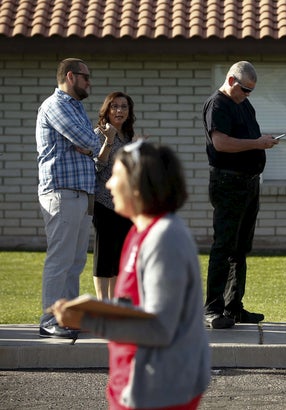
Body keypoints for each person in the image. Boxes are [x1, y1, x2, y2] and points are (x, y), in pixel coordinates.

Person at [49, 141, 211, 409]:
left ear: (138, 185)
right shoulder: (138, 232)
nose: (109, 184)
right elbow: (134, 306)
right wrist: (91, 307)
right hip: (137, 382)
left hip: (161, 390)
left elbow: (160, 328)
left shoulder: (165, 238)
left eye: (116, 176)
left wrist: (89, 320)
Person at [36, 58, 108, 339]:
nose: (90, 82)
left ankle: (67, 317)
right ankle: (49, 319)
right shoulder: (56, 105)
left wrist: (87, 144)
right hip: (61, 192)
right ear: (70, 76)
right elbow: (92, 141)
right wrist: (89, 143)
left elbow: (87, 143)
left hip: (80, 193)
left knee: (76, 260)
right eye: (85, 77)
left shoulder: (76, 107)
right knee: (60, 259)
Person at [202, 61, 278, 329]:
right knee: (223, 245)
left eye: (251, 91)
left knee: (240, 248)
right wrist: (257, 144)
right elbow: (220, 143)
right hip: (228, 182)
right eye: (245, 89)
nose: (247, 94)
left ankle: (234, 306)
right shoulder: (218, 104)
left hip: (248, 183)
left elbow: (248, 137)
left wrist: (262, 141)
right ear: (232, 81)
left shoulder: (243, 104)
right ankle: (212, 309)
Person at [91, 92, 136, 300]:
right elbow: (96, 168)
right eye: (115, 106)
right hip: (104, 203)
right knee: (104, 256)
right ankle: (103, 304)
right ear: (107, 110)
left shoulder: (128, 137)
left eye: (124, 107)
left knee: (119, 257)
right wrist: (108, 142)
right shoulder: (98, 134)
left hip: (124, 204)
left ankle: (115, 304)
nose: (119, 111)